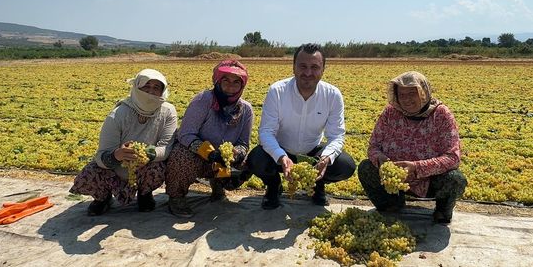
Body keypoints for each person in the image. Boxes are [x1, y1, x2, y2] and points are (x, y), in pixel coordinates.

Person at [247, 43, 356, 209]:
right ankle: (274, 186)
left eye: (314, 67)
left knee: (345, 165)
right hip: (281, 150)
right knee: (256, 160)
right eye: (302, 66)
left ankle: (317, 184)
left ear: (323, 70)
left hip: (313, 152)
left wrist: (325, 158)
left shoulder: (332, 95)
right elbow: (266, 132)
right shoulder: (277, 91)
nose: (308, 73)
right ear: (294, 67)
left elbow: (337, 136)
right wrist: (281, 157)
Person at [358, 71, 467, 223]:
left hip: (429, 180)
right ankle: (391, 205)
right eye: (402, 95)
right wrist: (382, 160)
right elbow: (373, 146)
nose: (406, 100)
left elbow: (453, 158)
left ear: (424, 92)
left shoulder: (441, 114)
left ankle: (442, 210)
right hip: (393, 180)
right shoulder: (390, 112)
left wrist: (416, 167)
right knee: (366, 168)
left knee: (455, 179)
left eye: (412, 93)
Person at [70, 69, 178, 216]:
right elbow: (102, 156)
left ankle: (144, 194)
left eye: (156, 87)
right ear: (136, 87)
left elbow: (165, 147)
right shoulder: (118, 114)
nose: (150, 91)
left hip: (145, 165)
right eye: (146, 86)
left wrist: (148, 153)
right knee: (91, 172)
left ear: (162, 91)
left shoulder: (168, 111)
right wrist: (117, 155)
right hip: (116, 168)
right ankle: (103, 198)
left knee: (160, 167)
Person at [165, 60, 253, 217]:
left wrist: (236, 153)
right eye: (225, 80)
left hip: (224, 160)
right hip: (197, 155)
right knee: (181, 156)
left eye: (236, 82)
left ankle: (219, 185)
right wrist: (210, 153)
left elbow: (243, 143)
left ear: (242, 85)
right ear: (217, 81)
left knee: (251, 161)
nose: (230, 86)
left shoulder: (246, 109)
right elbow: (185, 134)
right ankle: (176, 197)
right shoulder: (203, 100)